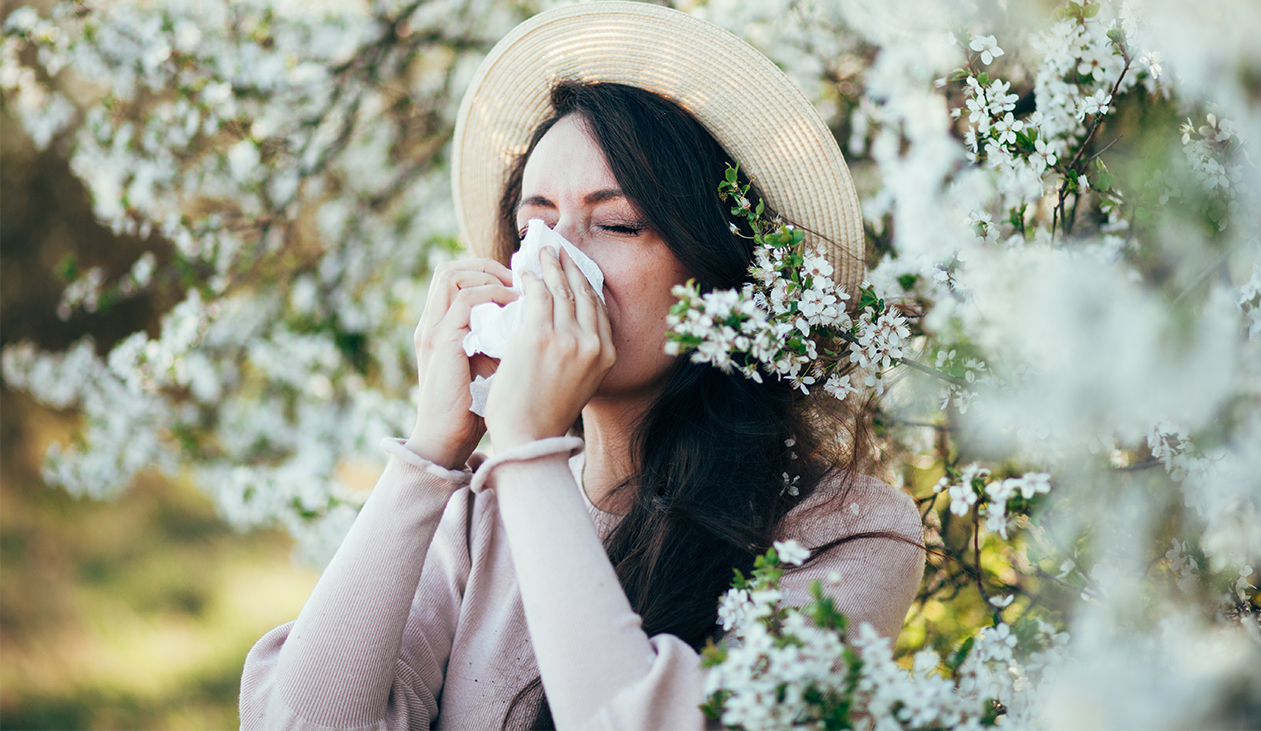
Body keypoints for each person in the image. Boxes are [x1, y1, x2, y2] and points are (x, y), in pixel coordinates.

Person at [239, 3, 923, 729]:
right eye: (535, 226)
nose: (554, 259)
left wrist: (529, 451)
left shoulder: (846, 532)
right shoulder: (477, 516)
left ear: (722, 272)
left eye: (618, 222)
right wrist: (431, 450)